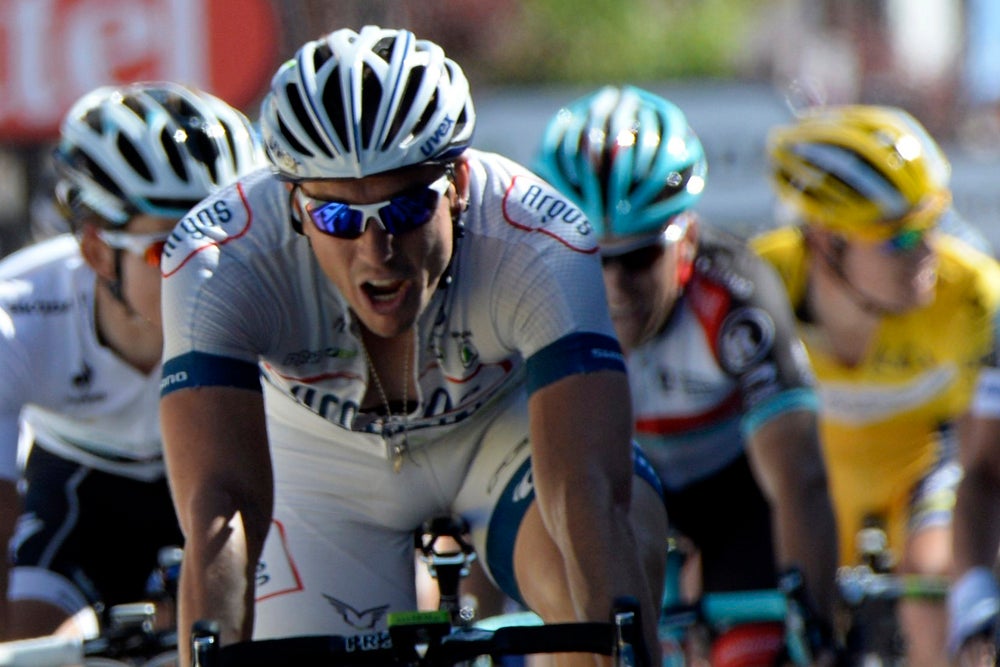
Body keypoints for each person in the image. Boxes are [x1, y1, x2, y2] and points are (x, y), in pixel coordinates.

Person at [158, 25, 668, 667]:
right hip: (322, 470)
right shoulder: (218, 261)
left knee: (603, 577)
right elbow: (222, 507)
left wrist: (615, 648)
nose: (377, 252)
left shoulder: (541, 240)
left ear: (459, 182)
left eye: (405, 211)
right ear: (292, 204)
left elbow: (585, 487)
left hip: (501, 440)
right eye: (338, 218)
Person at [533, 85, 840, 662]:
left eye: (639, 257)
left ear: (687, 240)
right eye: (591, 256)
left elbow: (799, 477)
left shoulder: (732, 298)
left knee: (753, 652)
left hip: (734, 502)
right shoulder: (536, 303)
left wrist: (816, 628)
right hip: (614, 495)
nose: (615, 285)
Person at [0, 81, 264, 640]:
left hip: (230, 478)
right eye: (168, 247)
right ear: (98, 252)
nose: (206, 268)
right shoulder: (16, 313)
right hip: (81, 492)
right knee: (30, 642)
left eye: (228, 241)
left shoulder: (276, 294)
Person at [752, 104, 1000, 667]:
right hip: (795, 487)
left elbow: (986, 465)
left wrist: (974, 589)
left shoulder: (972, 294)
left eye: (934, 222)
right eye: (899, 238)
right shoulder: (759, 285)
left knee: (934, 587)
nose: (928, 248)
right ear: (826, 242)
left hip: (924, 478)